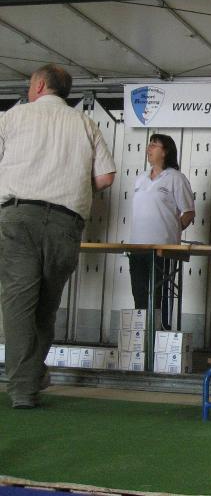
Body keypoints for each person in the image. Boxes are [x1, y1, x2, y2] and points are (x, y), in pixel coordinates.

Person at [0, 64, 116, 409]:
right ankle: (32, 374)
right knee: (46, 307)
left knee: (18, 305)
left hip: (19, 217)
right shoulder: (85, 123)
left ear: (39, 85)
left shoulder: (13, 117)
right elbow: (106, 177)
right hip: (66, 223)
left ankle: (23, 388)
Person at [128, 133, 195, 330]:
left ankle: (159, 333)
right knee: (139, 294)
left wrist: (172, 229)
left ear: (165, 152)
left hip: (162, 249)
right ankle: (142, 336)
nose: (149, 148)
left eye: (154, 145)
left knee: (159, 295)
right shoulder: (140, 178)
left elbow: (188, 213)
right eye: (149, 144)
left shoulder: (176, 178)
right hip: (137, 246)